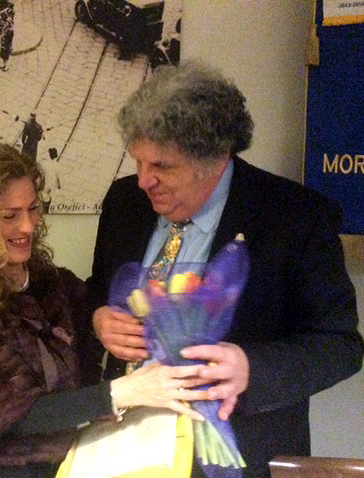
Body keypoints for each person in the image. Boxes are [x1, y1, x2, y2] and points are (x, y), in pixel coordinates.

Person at [86, 60, 364, 478]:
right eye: (137, 162)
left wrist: (251, 368)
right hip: (123, 449)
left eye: (162, 166)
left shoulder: (296, 217)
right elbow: (96, 288)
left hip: (235, 454)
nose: (143, 181)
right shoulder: (125, 202)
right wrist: (98, 318)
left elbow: (340, 346)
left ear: (216, 157)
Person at [0, 141, 211, 478]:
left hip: (63, 462)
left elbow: (89, 317)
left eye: (33, 209)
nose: (28, 226)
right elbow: (3, 415)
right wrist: (121, 393)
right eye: (10, 216)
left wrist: (99, 318)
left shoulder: (50, 282)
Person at [38, 147, 61, 214]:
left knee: (43, 196)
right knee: (49, 196)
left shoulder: (44, 164)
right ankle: (46, 209)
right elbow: (58, 176)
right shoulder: (57, 165)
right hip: (52, 184)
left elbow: (41, 173)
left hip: (45, 183)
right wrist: (59, 184)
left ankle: (43, 208)